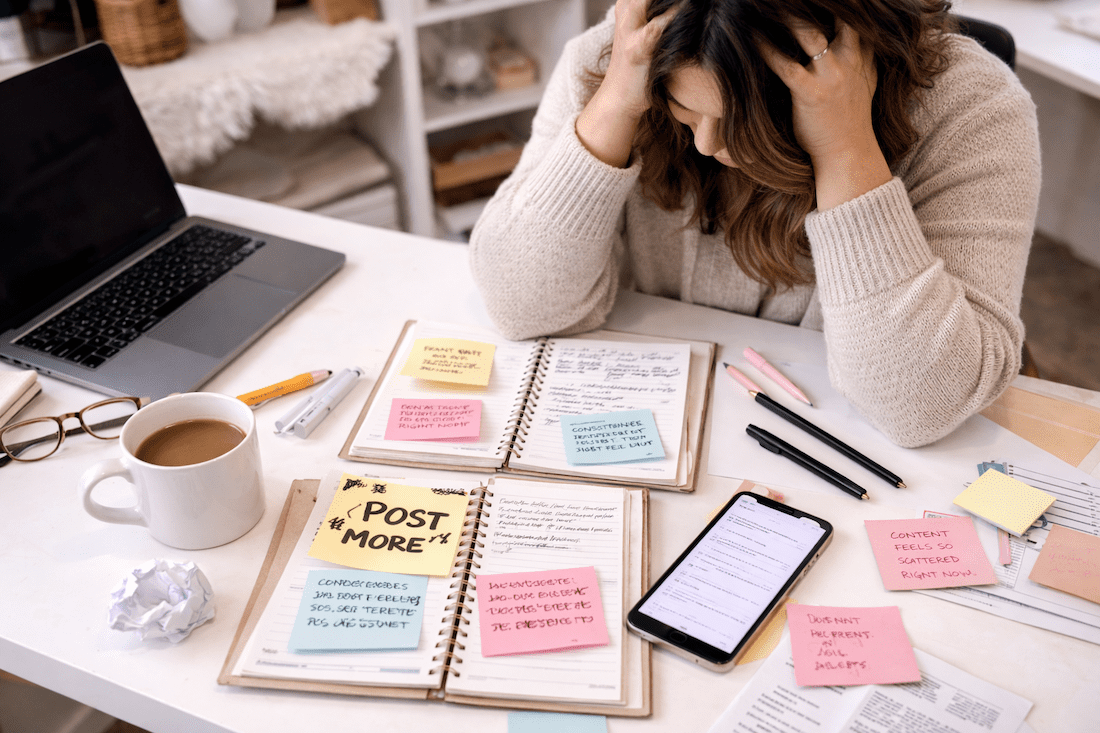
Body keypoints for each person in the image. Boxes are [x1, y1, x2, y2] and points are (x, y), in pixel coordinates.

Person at [467, 0, 1040, 447]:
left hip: (836, 439)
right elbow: (522, 304)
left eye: (744, 123)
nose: (706, 143)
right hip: (664, 414)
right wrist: (617, 101)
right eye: (686, 108)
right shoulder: (618, 56)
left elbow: (919, 408)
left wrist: (845, 149)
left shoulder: (974, 107)